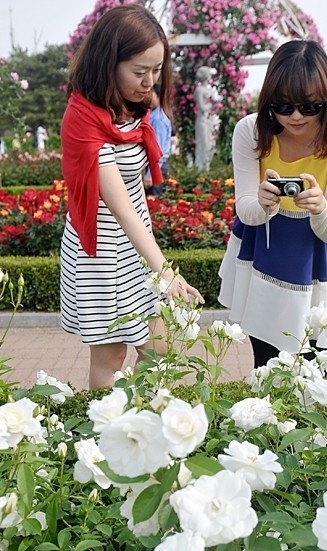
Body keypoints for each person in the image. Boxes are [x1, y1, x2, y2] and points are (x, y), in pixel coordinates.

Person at [59, 4, 204, 389]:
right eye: (140, 72)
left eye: (156, 71)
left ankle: (141, 423)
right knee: (112, 354)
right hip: (101, 252)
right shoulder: (82, 118)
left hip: (136, 244)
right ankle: (105, 429)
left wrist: (153, 254)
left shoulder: (132, 109)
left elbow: (135, 188)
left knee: (157, 347)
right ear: (109, 63)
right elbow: (118, 205)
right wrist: (165, 269)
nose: (149, 82)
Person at [218, 39, 327, 368]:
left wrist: (319, 207)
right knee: (267, 359)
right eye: (283, 106)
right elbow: (245, 209)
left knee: (319, 360)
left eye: (309, 106)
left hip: (317, 255)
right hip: (265, 247)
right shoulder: (252, 131)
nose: (296, 116)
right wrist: (263, 202)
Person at [143, 83, 172, 197]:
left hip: (156, 168)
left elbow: (157, 149)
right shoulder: (155, 115)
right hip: (156, 167)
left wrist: (151, 174)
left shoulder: (158, 119)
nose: (147, 97)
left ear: (158, 96)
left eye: (151, 94)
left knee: (154, 204)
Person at [194, 65, 216, 171]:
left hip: (209, 120)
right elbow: (202, 107)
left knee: (210, 144)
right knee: (203, 145)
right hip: (202, 120)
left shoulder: (208, 89)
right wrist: (212, 104)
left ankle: (208, 168)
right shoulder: (199, 90)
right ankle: (202, 168)